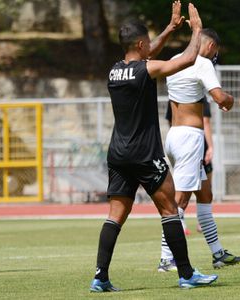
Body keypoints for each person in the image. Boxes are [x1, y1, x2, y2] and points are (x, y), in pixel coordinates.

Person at [90, 2, 218, 292]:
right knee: (170, 210)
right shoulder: (146, 70)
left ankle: (100, 276)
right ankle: (186, 274)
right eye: (147, 42)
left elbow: (147, 56)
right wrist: (195, 30)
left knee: (115, 216)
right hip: (145, 154)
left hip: (118, 154)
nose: (150, 45)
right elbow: (186, 59)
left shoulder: (114, 71)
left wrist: (171, 28)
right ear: (139, 43)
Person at [157, 27, 240, 272]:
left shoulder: (174, 60)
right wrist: (230, 100)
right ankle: (165, 258)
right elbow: (218, 97)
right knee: (179, 201)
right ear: (211, 46)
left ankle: (217, 253)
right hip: (190, 138)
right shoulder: (203, 62)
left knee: (204, 195)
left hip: (174, 135)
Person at [165, 96, 213, 236]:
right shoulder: (198, 95)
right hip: (192, 144)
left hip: (177, 140)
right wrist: (210, 146)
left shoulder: (173, 95)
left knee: (205, 193)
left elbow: (170, 119)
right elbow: (206, 122)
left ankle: (217, 252)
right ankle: (166, 255)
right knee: (182, 198)